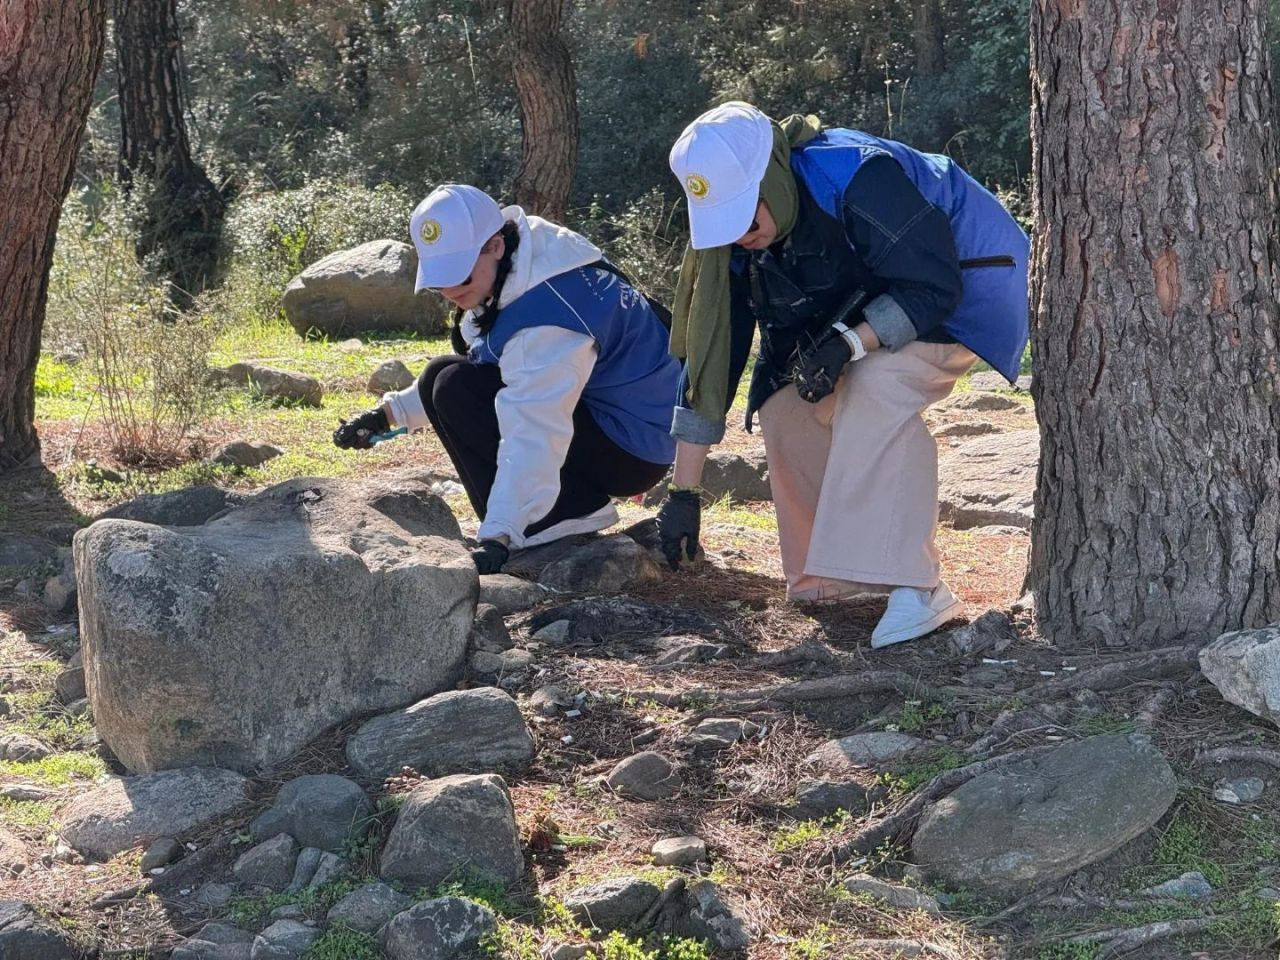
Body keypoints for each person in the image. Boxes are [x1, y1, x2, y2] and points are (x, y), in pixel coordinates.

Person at [655, 101, 1029, 648]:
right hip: (854, 309)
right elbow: (715, 356)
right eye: (725, 225)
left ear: (772, 179)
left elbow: (931, 286)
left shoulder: (856, 172)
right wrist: (683, 492)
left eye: (745, 217)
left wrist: (850, 344)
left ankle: (916, 583)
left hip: (960, 290)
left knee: (880, 383)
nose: (739, 237)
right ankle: (834, 578)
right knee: (785, 407)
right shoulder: (734, 240)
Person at [335, 184, 680, 574]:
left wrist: (499, 535)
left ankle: (558, 516)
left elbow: (533, 427)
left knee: (453, 386)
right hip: (616, 421)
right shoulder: (530, 258)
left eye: (460, 274)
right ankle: (548, 511)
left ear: (495, 245)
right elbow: (482, 358)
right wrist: (387, 415)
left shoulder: (548, 321)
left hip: (632, 447)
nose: (450, 290)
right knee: (442, 375)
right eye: (440, 278)